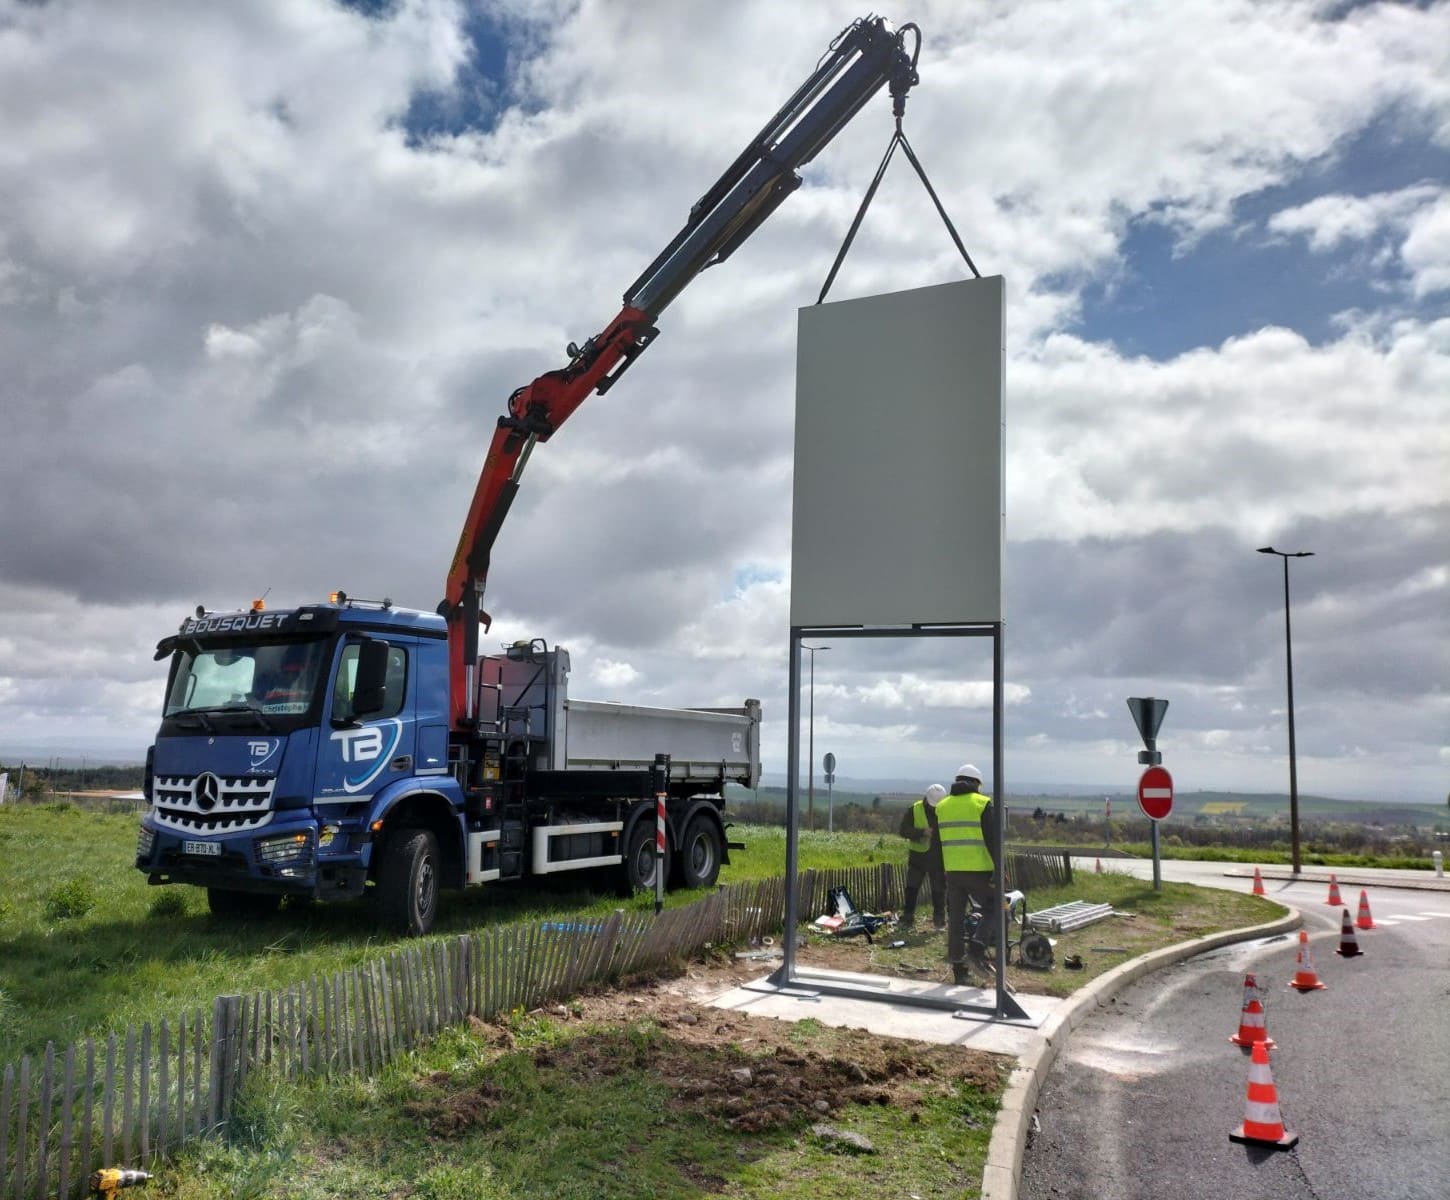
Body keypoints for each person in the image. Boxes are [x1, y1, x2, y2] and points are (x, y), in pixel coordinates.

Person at [935, 763, 998, 986]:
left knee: (956, 918)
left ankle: (959, 970)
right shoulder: (981, 804)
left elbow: (937, 842)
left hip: (952, 871)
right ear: (975, 784)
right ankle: (977, 949)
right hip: (979, 870)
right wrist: (999, 870)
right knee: (994, 907)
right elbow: (993, 841)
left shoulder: (942, 806)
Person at [898, 783, 946, 930]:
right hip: (918, 858)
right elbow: (903, 830)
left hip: (938, 858)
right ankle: (907, 919)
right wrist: (921, 833)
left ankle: (939, 921)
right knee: (912, 889)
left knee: (939, 890)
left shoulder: (945, 810)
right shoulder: (914, 809)